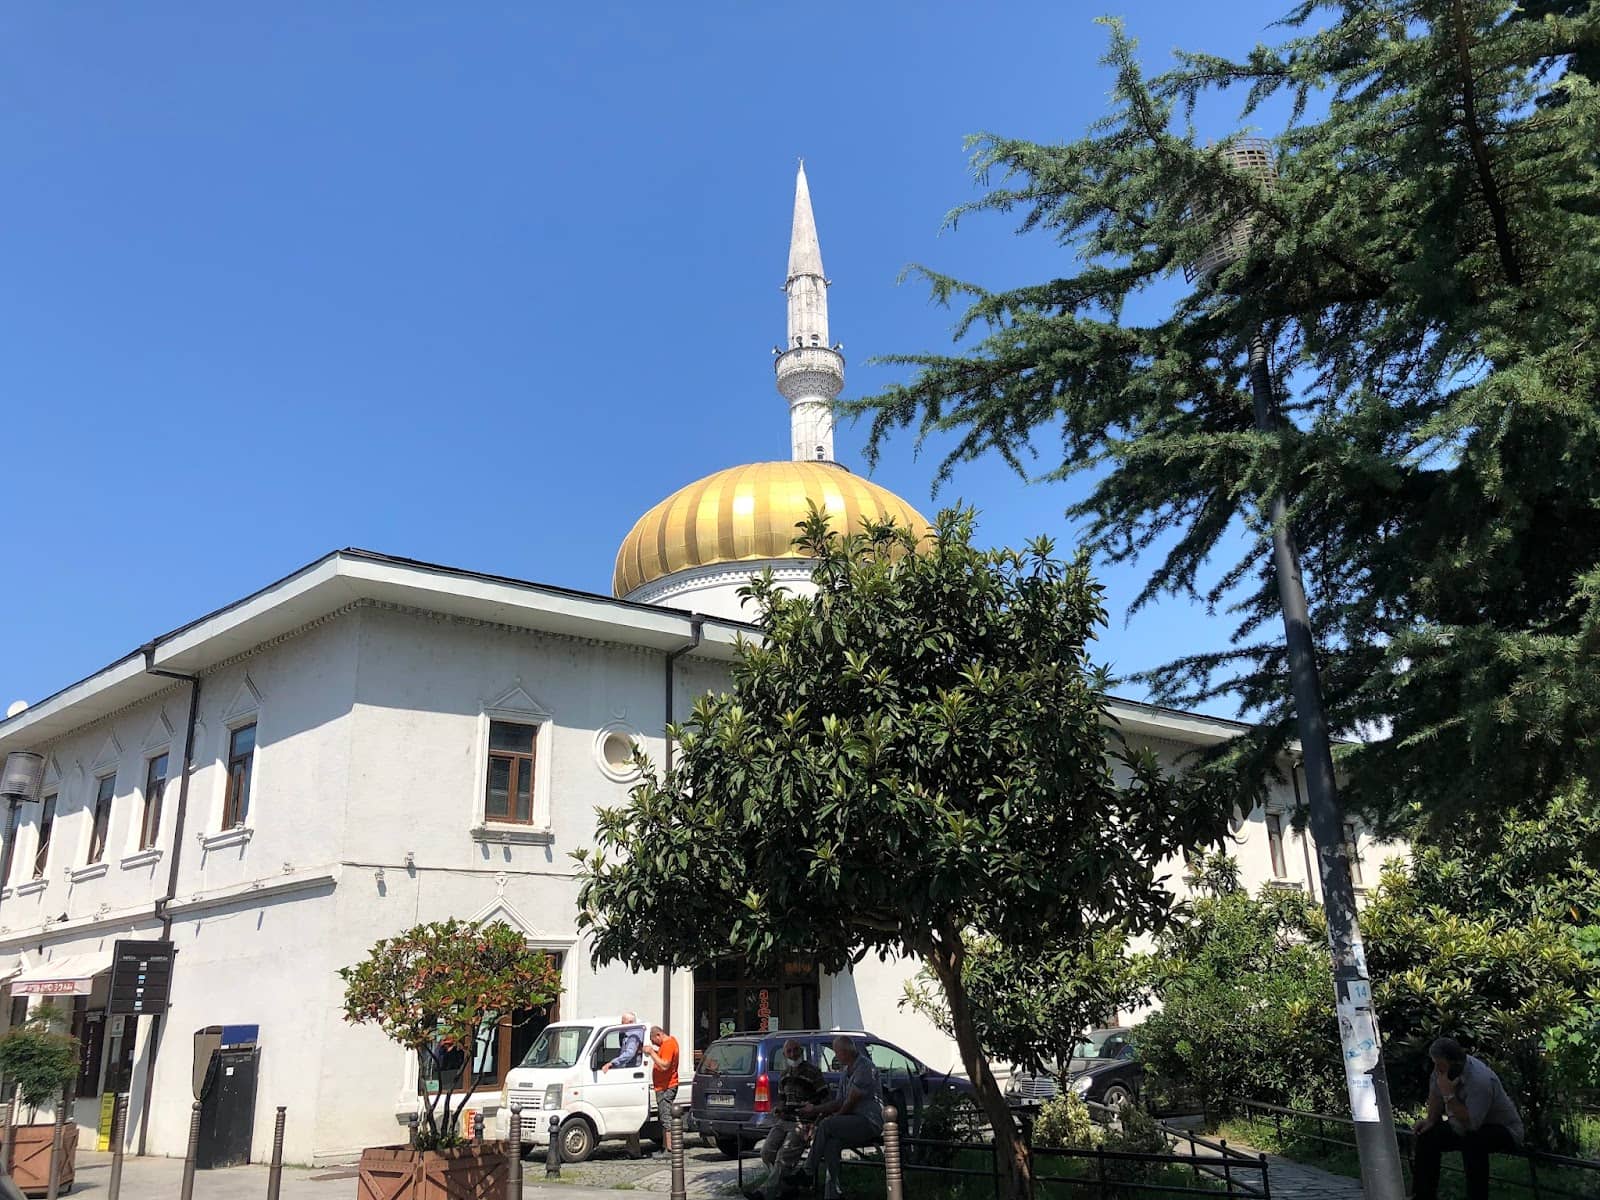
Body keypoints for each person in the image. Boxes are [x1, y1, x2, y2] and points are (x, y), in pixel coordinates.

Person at [1411, 1037, 1524, 1200]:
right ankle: (1422, 1195)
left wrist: (1449, 1095)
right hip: (1461, 1124)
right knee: (1427, 1136)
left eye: (1440, 1064)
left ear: (1454, 1063)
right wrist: (1430, 1120)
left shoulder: (1480, 1080)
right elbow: (1435, 1095)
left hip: (1501, 1128)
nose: (1436, 1068)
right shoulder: (1441, 1071)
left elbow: (1471, 1123)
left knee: (1473, 1141)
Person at [795, 1037, 883, 1200]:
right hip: (851, 1121)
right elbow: (838, 1101)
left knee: (828, 1125)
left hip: (867, 1121)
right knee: (831, 1144)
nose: (836, 1056)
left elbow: (850, 1101)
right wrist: (815, 1110)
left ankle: (807, 1172)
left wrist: (834, 1119)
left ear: (844, 1052)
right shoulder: (846, 1071)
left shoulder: (864, 1068)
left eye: (836, 1052)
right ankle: (833, 1193)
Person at [748, 1040, 829, 1200]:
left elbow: (825, 1100)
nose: (793, 1054)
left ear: (801, 1051)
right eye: (789, 1051)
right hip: (785, 1120)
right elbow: (782, 1100)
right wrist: (778, 1109)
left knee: (784, 1157)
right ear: (784, 1055)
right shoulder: (784, 1074)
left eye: (796, 1050)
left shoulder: (813, 1072)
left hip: (803, 1123)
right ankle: (787, 1187)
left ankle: (765, 1193)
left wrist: (815, 1120)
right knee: (766, 1152)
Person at [643, 1024, 682, 1150]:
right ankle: (665, 1146)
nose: (655, 1044)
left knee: (666, 1117)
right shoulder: (667, 1044)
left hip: (667, 1086)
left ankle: (670, 1149)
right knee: (664, 1116)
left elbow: (665, 1065)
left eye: (654, 1041)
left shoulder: (669, 1045)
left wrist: (651, 1053)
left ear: (658, 1035)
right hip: (662, 1086)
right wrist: (654, 1051)